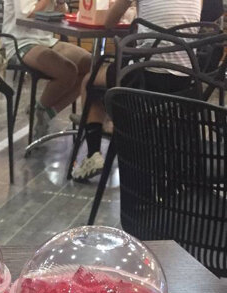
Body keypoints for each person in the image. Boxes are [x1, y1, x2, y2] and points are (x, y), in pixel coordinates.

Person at [72, 0, 204, 182]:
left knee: (89, 81)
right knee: (118, 74)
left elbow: (109, 22)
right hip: (185, 80)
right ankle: (115, 122)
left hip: (147, 75)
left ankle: (93, 155)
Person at [2, 0, 92, 140]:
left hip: (47, 40)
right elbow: (26, 15)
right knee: (67, 71)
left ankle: (44, 111)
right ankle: (42, 110)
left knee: (89, 65)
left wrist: (60, 3)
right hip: (20, 42)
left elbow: (62, 14)